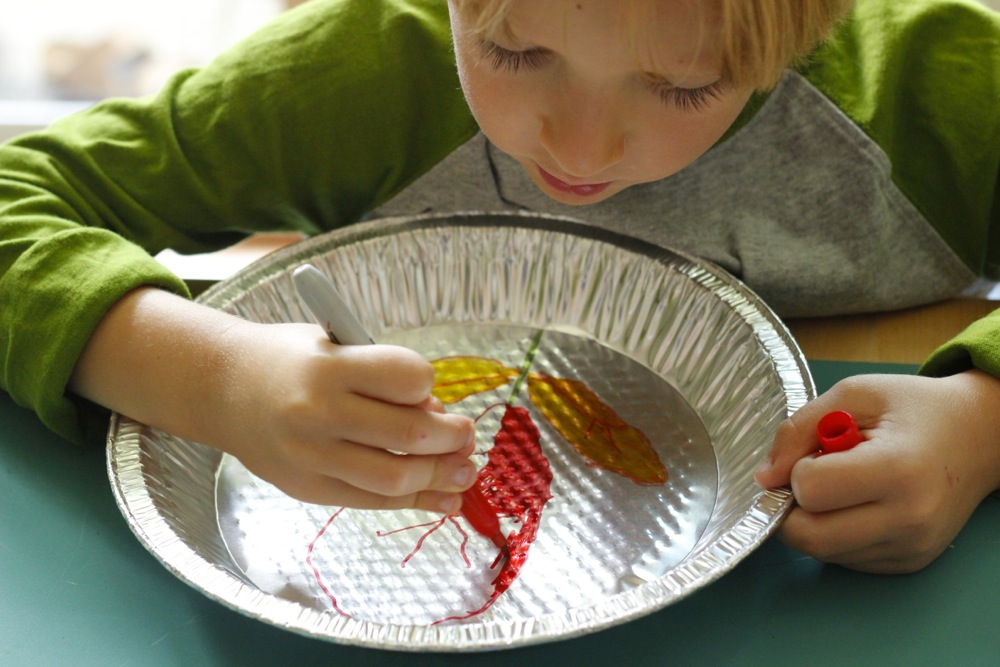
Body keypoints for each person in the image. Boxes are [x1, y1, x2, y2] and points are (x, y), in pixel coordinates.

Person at [0, 0, 997, 574]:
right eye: (514, 51)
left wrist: (980, 421)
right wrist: (213, 380)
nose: (580, 145)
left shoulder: (933, 87)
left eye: (683, 86)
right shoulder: (360, 74)